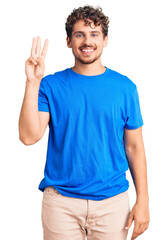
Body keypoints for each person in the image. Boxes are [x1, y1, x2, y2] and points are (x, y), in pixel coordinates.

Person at [18, 5, 150, 240]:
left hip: (112, 203)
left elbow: (134, 147)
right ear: (69, 41)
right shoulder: (50, 85)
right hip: (61, 204)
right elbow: (29, 136)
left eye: (94, 34)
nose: (87, 41)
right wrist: (32, 82)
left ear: (105, 40)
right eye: (80, 34)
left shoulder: (125, 88)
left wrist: (144, 200)